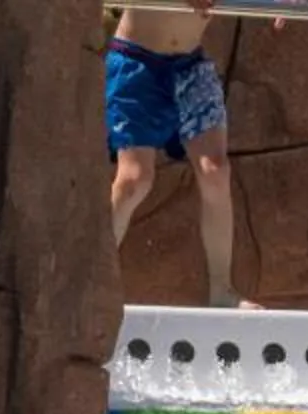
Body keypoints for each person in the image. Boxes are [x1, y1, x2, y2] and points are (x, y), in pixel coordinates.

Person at [107, 3, 254, 309]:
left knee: (215, 171)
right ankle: (93, 281)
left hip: (189, 66)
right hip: (135, 63)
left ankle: (222, 290)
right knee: (135, 180)